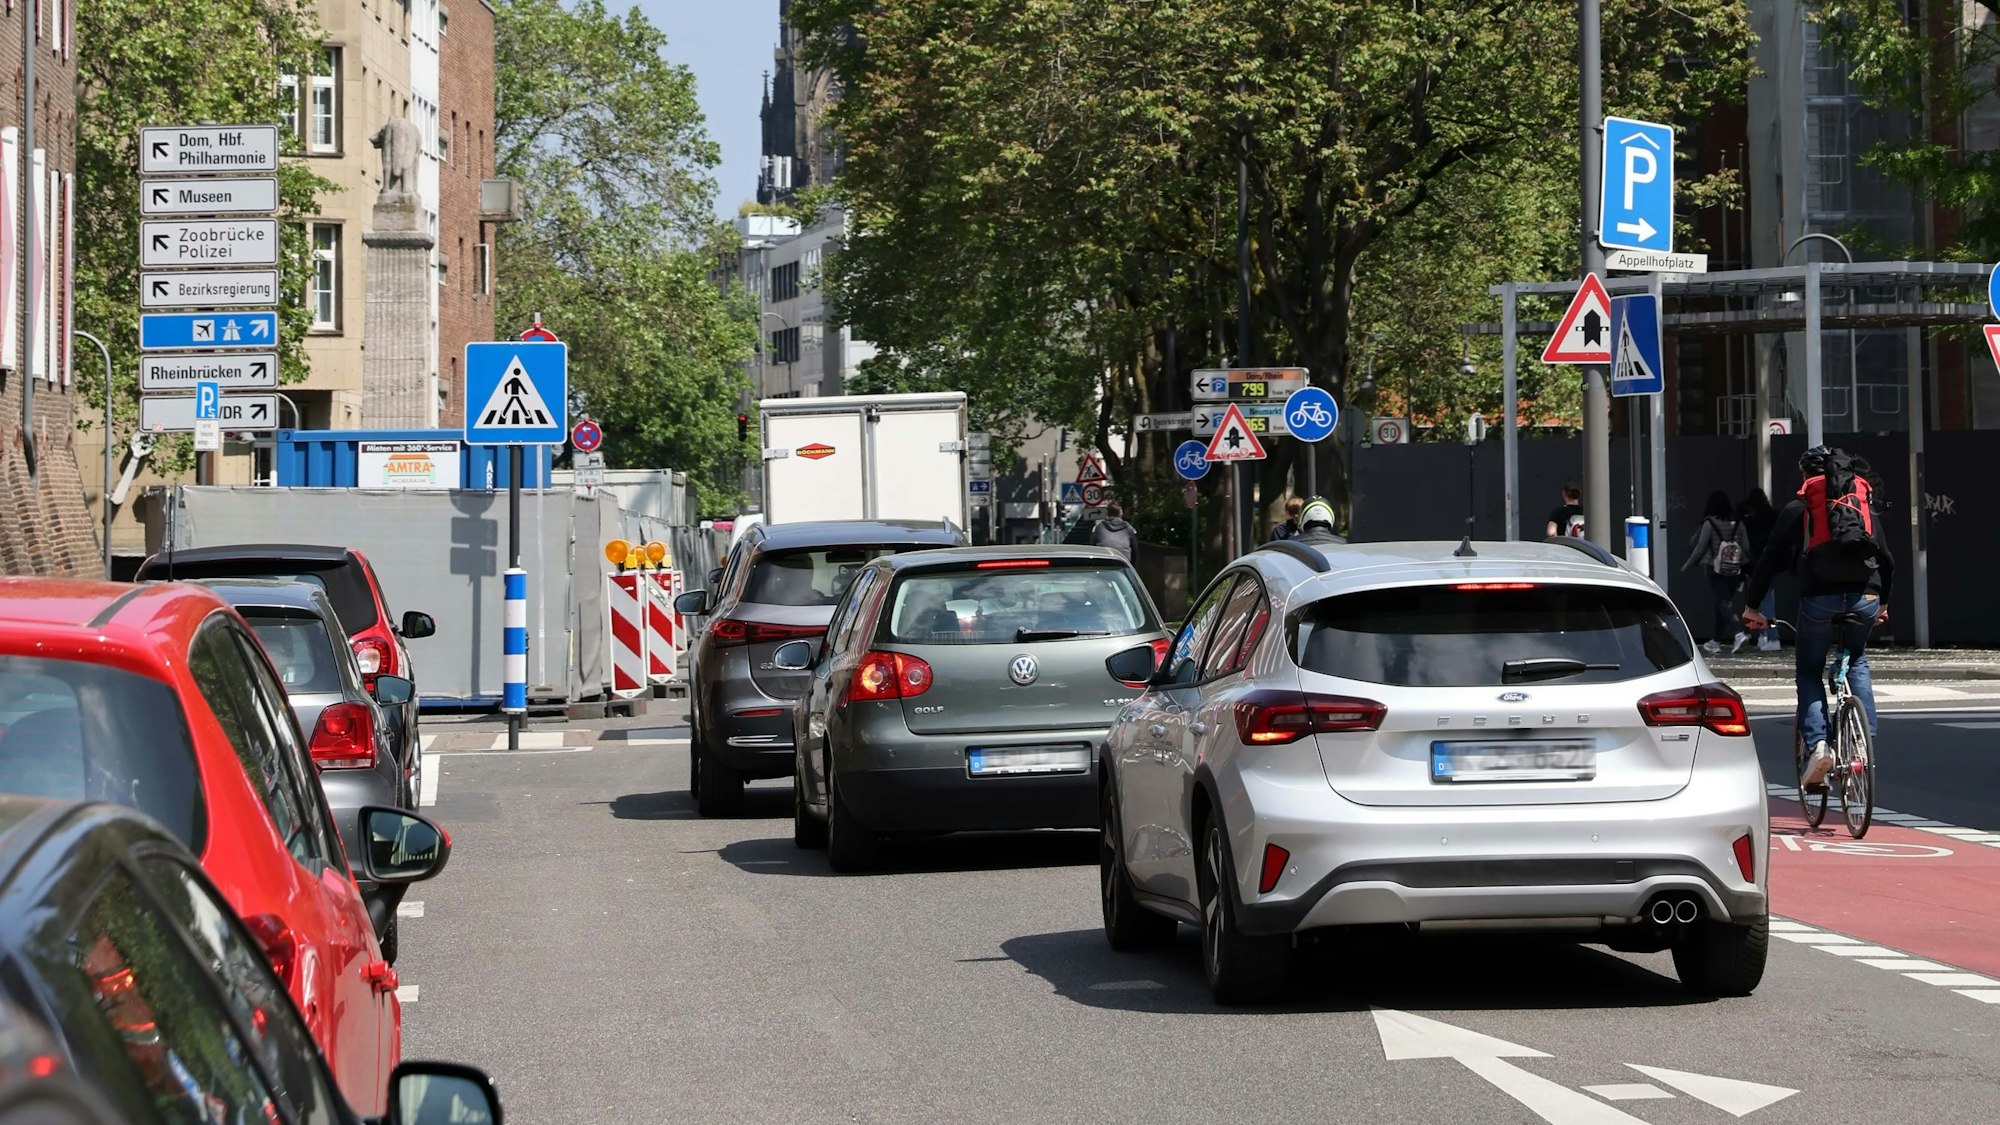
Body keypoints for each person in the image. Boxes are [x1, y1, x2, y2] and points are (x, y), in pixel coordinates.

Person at [1741, 446, 1895, 790]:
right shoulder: (1859, 503)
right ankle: (1862, 745)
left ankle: (1818, 745)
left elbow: (1770, 560)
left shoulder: (1799, 508)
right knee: (1857, 659)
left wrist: (1753, 606)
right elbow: (1885, 557)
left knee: (1809, 670)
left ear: (1806, 476)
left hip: (1819, 598)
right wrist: (1882, 602)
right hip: (1866, 596)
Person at [1681, 490, 1751, 654]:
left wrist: (1687, 565)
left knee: (1723, 603)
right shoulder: (1738, 523)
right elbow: (1746, 547)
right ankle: (1715, 641)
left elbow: (1699, 548)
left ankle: (1738, 633)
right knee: (1722, 603)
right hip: (1735, 570)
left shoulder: (1709, 523)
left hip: (1716, 570)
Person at [1738, 488, 1780, 652]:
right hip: (1773, 561)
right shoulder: (1773, 517)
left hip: (1758, 564)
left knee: (1764, 601)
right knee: (1766, 600)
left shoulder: (1751, 522)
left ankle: (1772, 636)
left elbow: (1749, 545)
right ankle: (1766, 635)